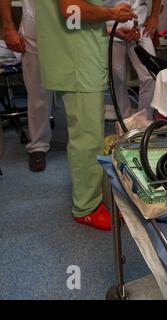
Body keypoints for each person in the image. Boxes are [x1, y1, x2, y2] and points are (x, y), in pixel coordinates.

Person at [35, 0, 137, 230]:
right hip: (78, 62)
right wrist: (112, 13)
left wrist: (113, 29)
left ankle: (94, 197)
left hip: (80, 55)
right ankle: (86, 208)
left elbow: (75, 19)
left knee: (89, 132)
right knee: (87, 137)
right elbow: (70, 9)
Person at [0, 0, 52, 172]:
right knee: (37, 93)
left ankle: (81, 143)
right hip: (34, 30)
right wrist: (9, 28)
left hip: (70, 32)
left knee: (76, 92)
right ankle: (38, 146)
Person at [103, 0, 161, 119]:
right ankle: (124, 121)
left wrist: (154, 17)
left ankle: (144, 123)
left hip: (140, 26)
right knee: (117, 77)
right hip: (111, 25)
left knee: (151, 74)